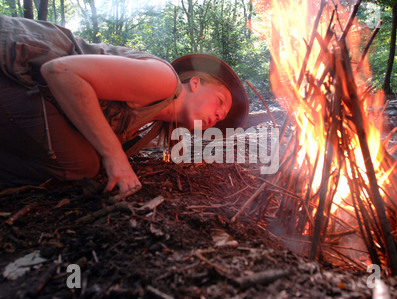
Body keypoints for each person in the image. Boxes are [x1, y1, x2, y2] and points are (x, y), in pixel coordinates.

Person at [0, 15, 249, 196]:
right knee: (81, 164)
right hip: (13, 64)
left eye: (223, 115)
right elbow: (60, 71)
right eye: (220, 101)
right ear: (195, 83)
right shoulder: (164, 82)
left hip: (25, 86)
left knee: (85, 161)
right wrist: (114, 155)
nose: (219, 114)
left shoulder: (148, 120)